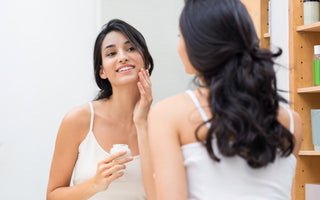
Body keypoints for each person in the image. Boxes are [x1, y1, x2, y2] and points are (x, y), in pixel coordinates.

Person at [147, 0, 303, 199]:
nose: (179, 46)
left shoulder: (168, 115)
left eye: (181, 37)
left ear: (199, 45)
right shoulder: (292, 122)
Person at [47, 19, 154, 200]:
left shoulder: (162, 123)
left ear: (147, 63)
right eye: (111, 53)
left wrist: (142, 124)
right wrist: (94, 184)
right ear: (102, 71)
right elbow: (52, 195)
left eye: (131, 49)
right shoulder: (78, 120)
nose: (122, 57)